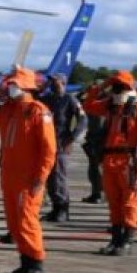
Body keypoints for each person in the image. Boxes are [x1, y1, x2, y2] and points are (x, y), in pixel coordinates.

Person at [0, 67, 57, 273]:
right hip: (9, 175)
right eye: (8, 84)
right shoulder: (8, 110)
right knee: (14, 222)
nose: (9, 88)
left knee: (27, 221)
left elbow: (48, 150)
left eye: (13, 84)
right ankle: (25, 263)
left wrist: (40, 178)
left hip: (28, 178)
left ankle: (35, 266)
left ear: (25, 86)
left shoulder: (38, 111)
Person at [82, 70, 137, 255]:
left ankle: (127, 240)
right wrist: (102, 85)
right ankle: (115, 238)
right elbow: (88, 105)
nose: (117, 91)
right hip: (109, 159)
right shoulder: (110, 106)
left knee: (129, 202)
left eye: (120, 87)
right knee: (113, 201)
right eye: (115, 87)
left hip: (128, 161)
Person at [40, 74, 86, 222]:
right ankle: (55, 208)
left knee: (58, 178)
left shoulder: (69, 99)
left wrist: (73, 138)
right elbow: (32, 99)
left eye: (55, 81)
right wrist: (43, 87)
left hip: (61, 144)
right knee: (49, 179)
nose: (52, 83)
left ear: (63, 83)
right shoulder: (47, 99)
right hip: (45, 144)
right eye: (51, 81)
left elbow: (83, 119)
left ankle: (63, 209)